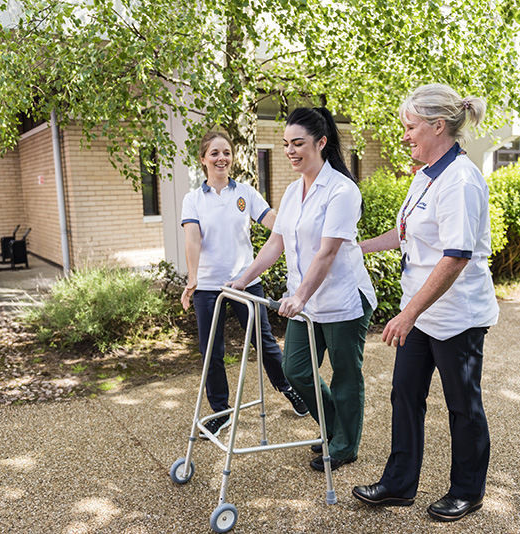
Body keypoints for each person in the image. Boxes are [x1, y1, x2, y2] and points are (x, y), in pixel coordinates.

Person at [351, 83, 499, 522]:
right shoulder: (425, 174)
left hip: (457, 315)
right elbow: (404, 235)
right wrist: (355, 248)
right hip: (422, 312)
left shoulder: (461, 180)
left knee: (462, 404)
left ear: (438, 126)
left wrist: (407, 313)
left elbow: (455, 257)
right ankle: (399, 484)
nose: (404, 136)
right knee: (405, 394)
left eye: (410, 127)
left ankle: (467, 492)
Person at [230, 107, 377, 472]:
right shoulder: (293, 191)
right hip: (304, 300)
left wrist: (299, 297)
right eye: (285, 144)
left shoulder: (343, 190)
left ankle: (344, 445)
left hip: (343, 298)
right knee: (295, 370)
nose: (290, 151)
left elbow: (328, 252)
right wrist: (243, 278)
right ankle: (333, 429)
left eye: (298, 143)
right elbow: (275, 243)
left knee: (345, 374)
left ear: (321, 142)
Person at [180, 131, 308, 439]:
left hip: (245, 282)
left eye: (226, 152)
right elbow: (193, 239)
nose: (221, 158)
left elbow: (271, 221)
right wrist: (193, 278)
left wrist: (300, 230)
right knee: (211, 350)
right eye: (214, 153)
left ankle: (288, 388)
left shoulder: (246, 193)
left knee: (263, 343)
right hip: (209, 286)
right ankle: (221, 412)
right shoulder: (193, 199)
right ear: (203, 160)